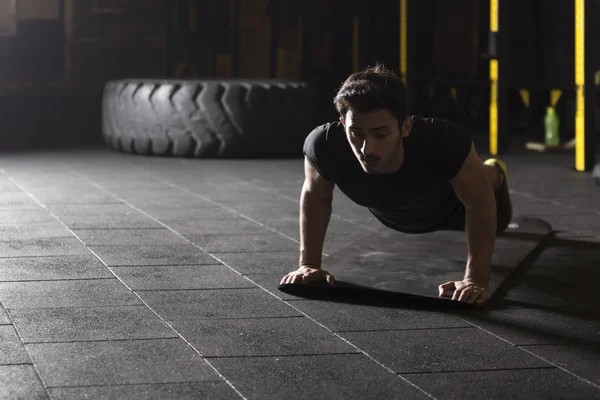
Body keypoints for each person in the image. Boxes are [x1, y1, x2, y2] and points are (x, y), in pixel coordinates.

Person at [279, 64, 513, 305]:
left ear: (406, 126)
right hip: (394, 212)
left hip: (454, 210)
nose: (366, 149)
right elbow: (315, 196)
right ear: (342, 123)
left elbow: (480, 203)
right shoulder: (324, 145)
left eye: (380, 134)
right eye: (356, 133)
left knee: (484, 182)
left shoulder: (444, 141)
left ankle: (494, 172)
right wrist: (308, 264)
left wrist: (476, 279)